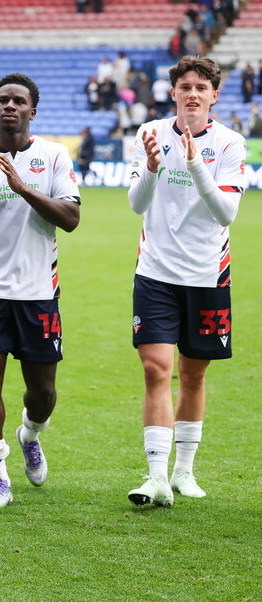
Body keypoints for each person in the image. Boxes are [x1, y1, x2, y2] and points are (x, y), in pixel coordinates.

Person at [0, 73, 81, 508]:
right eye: (2, 100)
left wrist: (21, 187)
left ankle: (30, 434)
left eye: (18, 101)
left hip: (39, 290)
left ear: (32, 111)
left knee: (42, 392)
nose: (9, 106)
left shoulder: (54, 156)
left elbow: (70, 218)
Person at [126, 56, 246, 507]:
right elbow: (137, 204)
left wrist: (196, 163)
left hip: (207, 274)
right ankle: (156, 476)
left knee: (193, 375)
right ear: (172, 92)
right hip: (155, 272)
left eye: (201, 87)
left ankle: (184, 472)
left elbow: (225, 212)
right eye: (185, 86)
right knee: (156, 369)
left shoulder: (230, 143)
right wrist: (155, 167)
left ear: (214, 96)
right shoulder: (149, 134)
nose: (192, 93)